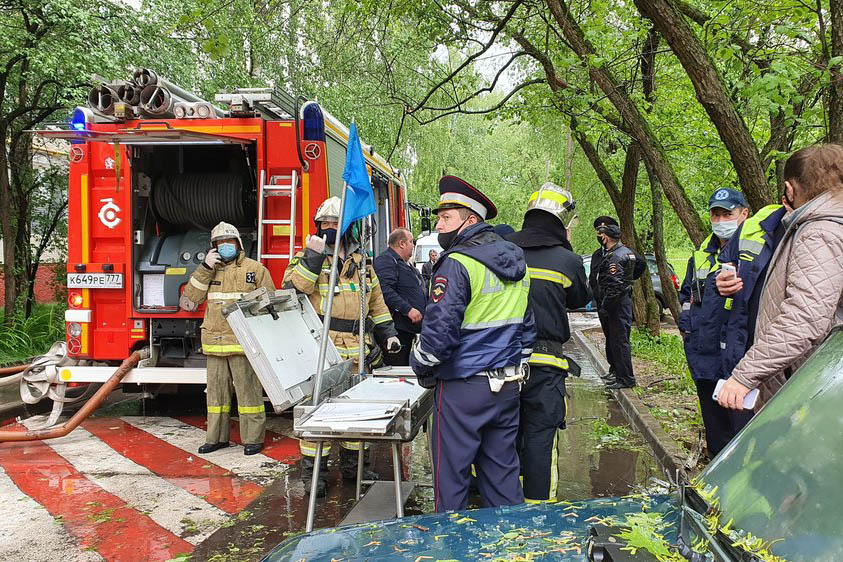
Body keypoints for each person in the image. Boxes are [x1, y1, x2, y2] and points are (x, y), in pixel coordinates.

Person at [410, 175, 536, 512]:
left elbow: (437, 339)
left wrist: (419, 364)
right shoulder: (519, 265)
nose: (439, 224)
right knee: (502, 477)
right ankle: (512, 546)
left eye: (446, 217)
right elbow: (527, 328)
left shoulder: (457, 264)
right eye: (439, 217)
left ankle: (450, 547)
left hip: (463, 389)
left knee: (451, 481)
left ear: (471, 220)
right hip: (508, 386)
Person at [283, 196, 401, 497]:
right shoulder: (306, 258)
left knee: (357, 413)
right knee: (314, 415)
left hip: (357, 352)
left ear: (348, 228)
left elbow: (377, 303)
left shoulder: (363, 265)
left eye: (336, 224)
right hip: (321, 350)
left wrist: (387, 332)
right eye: (324, 224)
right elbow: (293, 290)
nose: (329, 228)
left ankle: (354, 468)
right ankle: (314, 477)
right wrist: (313, 256)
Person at [718, 144, 843, 411]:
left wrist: (744, 376)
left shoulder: (819, 233)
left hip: (812, 388)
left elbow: (805, 318)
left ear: (790, 189)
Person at [507, 183, 589, 503]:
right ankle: (540, 515)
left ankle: (501, 505)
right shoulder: (567, 261)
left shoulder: (505, 249)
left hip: (502, 363)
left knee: (504, 436)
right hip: (547, 365)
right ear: (561, 222)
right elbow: (580, 298)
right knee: (541, 440)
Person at [180, 222, 274, 456]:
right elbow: (191, 299)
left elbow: (269, 301)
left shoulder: (255, 269)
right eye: (220, 244)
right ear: (213, 247)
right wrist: (204, 267)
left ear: (238, 244)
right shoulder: (207, 270)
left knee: (248, 393)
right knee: (216, 396)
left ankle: (253, 439)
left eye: (228, 242)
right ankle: (216, 439)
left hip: (244, 343)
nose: (225, 247)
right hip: (214, 342)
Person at [678, 188, 751, 458]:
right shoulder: (701, 256)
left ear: (744, 214)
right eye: (716, 214)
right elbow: (686, 298)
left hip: (737, 361)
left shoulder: (751, 256)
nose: (721, 221)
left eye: (727, 214)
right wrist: (687, 331)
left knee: (742, 432)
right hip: (703, 358)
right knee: (715, 431)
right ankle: (715, 483)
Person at [373, 228, 426, 366]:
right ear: (402, 243)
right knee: (396, 368)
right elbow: (384, 290)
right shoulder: (386, 261)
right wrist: (408, 309)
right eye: (410, 241)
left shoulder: (401, 262)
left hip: (407, 329)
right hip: (395, 331)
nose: (413, 245)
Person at [595, 223, 636, 389]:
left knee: (620, 342)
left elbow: (616, 286)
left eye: (600, 235)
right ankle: (620, 375)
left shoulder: (616, 257)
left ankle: (625, 378)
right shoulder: (626, 252)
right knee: (617, 341)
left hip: (618, 305)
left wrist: (606, 305)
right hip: (622, 302)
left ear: (605, 237)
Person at [589, 216, 619, 381]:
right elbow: (594, 276)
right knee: (609, 336)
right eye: (598, 232)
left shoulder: (620, 252)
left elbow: (638, 266)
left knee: (618, 338)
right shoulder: (597, 255)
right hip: (602, 303)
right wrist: (595, 292)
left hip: (616, 302)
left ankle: (620, 372)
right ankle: (613, 369)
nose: (601, 235)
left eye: (604, 231)